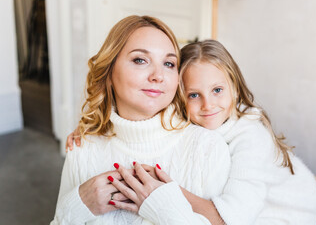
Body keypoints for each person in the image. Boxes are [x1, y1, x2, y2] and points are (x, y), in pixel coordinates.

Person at [68, 39, 316, 224]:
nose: (208, 105)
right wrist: (93, 125)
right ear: (179, 96)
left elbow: (232, 219)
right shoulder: (189, 118)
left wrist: (163, 194)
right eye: (193, 94)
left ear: (234, 88)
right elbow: (144, 111)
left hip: (286, 214)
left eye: (217, 90)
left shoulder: (251, 138)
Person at [51, 16, 231, 225]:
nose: (158, 75)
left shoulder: (208, 148)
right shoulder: (83, 147)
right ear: (109, 72)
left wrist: (164, 208)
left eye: (169, 63)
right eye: (140, 60)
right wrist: (79, 205)